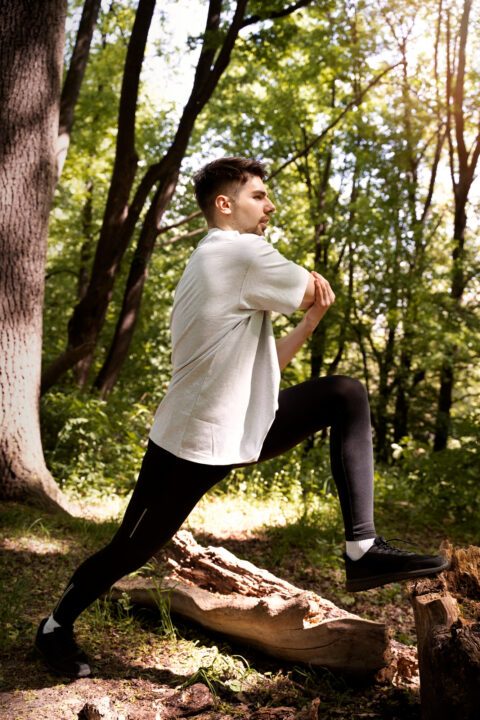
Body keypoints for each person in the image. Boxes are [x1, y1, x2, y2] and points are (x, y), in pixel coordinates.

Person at [35, 156, 448, 678]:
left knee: (344, 393)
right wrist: (310, 293)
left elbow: (264, 368)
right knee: (131, 548)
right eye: (259, 195)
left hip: (245, 422)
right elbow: (303, 286)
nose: (270, 205)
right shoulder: (236, 252)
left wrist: (312, 320)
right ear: (224, 206)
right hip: (193, 438)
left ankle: (362, 547)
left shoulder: (216, 262)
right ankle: (54, 626)